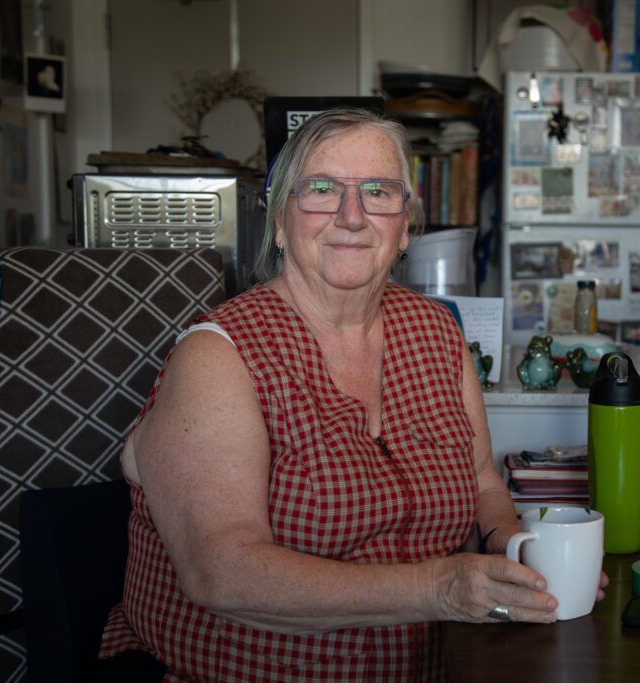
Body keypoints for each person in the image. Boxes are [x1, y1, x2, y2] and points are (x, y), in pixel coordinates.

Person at [98, 108, 606, 681]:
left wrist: (519, 551)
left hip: (438, 666)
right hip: (251, 671)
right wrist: (437, 588)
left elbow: (483, 482)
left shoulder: (436, 332)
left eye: (379, 192)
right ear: (281, 222)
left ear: (406, 225)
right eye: (320, 189)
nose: (352, 216)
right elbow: (221, 572)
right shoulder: (219, 356)